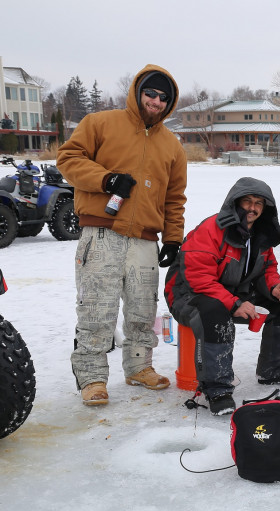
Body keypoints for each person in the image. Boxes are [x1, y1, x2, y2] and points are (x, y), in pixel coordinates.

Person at [57, 65, 187, 406]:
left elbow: (175, 198)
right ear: (138, 92)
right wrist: (106, 180)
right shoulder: (100, 123)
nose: (156, 102)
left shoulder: (172, 145)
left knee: (144, 311)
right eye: (151, 94)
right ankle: (92, 379)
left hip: (146, 238)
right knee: (96, 310)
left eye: (163, 98)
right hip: (102, 233)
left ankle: (139, 367)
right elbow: (67, 158)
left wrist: (173, 238)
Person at [164, 178, 280, 415]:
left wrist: (275, 287)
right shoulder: (210, 229)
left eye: (259, 203)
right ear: (234, 203)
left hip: (232, 291)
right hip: (188, 294)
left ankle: (274, 369)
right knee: (215, 311)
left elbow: (268, 268)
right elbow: (199, 279)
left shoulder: (260, 233)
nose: (253, 208)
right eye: (247, 201)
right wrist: (234, 303)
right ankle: (217, 389)